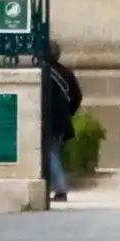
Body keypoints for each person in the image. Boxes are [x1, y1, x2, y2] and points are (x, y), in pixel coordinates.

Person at [40, 39, 83, 202]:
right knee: (54, 153)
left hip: (49, 121)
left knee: (51, 154)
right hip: (62, 121)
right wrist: (68, 112)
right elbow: (77, 96)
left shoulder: (44, 73)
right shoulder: (66, 72)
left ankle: (60, 189)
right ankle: (53, 186)